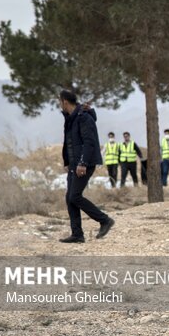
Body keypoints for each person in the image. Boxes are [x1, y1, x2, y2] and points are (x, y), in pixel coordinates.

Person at [58, 90, 115, 243]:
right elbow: (71, 142)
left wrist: (82, 163)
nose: (59, 105)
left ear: (64, 101)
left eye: (59, 102)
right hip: (74, 163)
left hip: (84, 163)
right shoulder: (71, 118)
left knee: (75, 196)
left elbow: (89, 142)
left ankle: (104, 220)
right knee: (70, 198)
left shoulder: (83, 117)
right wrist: (68, 162)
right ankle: (77, 234)